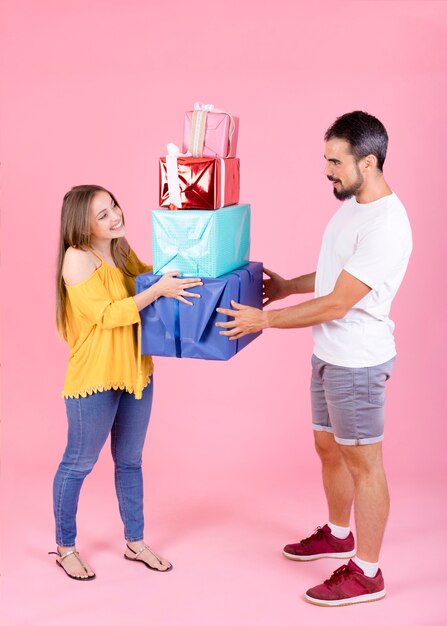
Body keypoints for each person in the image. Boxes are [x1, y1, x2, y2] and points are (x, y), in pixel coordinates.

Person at [216, 111, 412, 606]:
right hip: (328, 352)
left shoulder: (387, 224)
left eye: (334, 161)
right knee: (329, 449)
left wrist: (264, 321)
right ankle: (338, 533)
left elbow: (339, 302)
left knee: (364, 463)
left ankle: (367, 572)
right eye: (325, 159)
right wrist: (286, 288)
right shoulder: (351, 206)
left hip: (358, 362)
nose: (326, 170)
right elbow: (334, 279)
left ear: (368, 162)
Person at [51, 184, 202, 580]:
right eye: (102, 214)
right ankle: (65, 547)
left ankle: (135, 542)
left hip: (136, 372)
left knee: (130, 462)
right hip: (95, 378)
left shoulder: (119, 248)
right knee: (78, 463)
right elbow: (108, 315)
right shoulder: (76, 259)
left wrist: (180, 270)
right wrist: (158, 289)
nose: (116, 215)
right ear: (81, 225)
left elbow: (146, 279)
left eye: (114, 206)